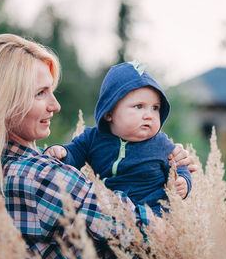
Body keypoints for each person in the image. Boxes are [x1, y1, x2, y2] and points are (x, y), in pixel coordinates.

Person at [0, 34, 194, 259]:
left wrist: (170, 165)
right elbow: (150, 229)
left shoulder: (4, 168)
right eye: (40, 93)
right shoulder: (38, 177)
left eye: (52, 91)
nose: (55, 105)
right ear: (3, 103)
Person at [45, 61, 192, 216]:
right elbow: (74, 153)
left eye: (155, 108)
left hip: (152, 216)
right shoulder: (93, 138)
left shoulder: (161, 143)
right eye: (139, 106)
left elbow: (179, 166)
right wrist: (62, 152)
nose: (149, 115)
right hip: (108, 214)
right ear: (109, 112)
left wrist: (183, 181)